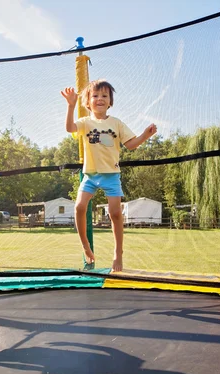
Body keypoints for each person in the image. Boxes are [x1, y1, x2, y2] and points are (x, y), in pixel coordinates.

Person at [61, 79, 157, 272]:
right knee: (79, 207)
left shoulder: (116, 123)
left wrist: (145, 135)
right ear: (87, 102)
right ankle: (86, 248)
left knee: (115, 214)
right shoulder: (85, 122)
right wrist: (71, 106)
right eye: (95, 96)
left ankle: (117, 253)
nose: (100, 99)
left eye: (104, 96)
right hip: (90, 174)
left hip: (111, 175)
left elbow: (130, 144)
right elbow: (70, 128)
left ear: (110, 101)